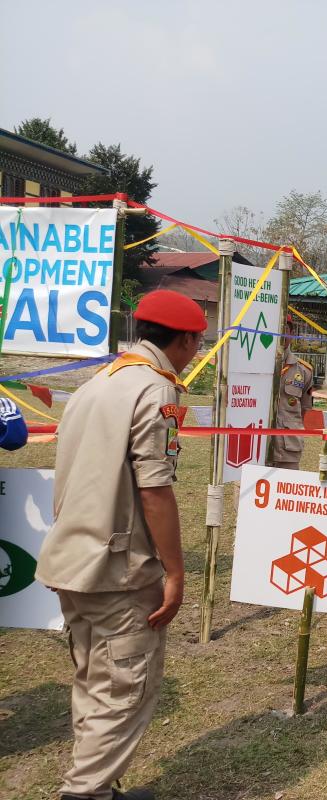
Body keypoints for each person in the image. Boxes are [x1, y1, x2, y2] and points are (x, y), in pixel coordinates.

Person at [35, 289, 206, 800]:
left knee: (94, 681)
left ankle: (100, 789)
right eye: (197, 342)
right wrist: (175, 573)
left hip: (73, 559)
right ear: (187, 340)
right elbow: (154, 488)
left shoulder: (96, 384)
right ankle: (84, 793)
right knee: (124, 691)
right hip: (119, 569)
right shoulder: (156, 391)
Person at [269, 317, 315, 470]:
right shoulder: (254, 365)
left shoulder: (304, 371)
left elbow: (305, 410)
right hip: (255, 445)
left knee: (284, 491)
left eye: (284, 330)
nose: (280, 335)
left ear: (292, 333)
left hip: (287, 449)